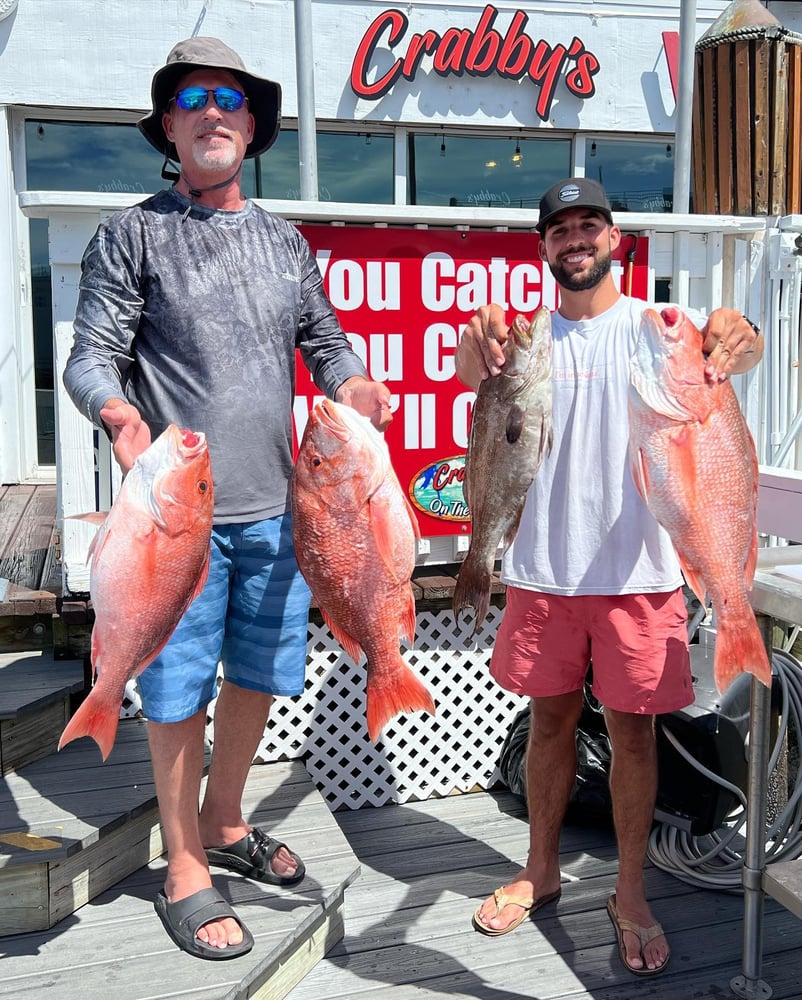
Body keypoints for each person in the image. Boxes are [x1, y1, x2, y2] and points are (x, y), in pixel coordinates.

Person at [63, 37, 391, 961]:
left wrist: (355, 385)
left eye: (232, 100)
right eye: (194, 99)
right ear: (170, 124)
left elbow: (326, 342)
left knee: (256, 678)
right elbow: (91, 354)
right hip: (178, 521)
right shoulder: (133, 232)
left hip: (283, 513)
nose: (214, 111)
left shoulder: (285, 241)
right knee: (174, 691)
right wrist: (119, 413)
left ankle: (226, 818)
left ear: (252, 127)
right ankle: (183, 865)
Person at [455, 177, 763, 976]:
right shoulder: (526, 338)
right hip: (542, 573)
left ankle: (631, 891)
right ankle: (540, 868)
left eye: (590, 223)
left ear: (615, 239)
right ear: (543, 248)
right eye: (560, 228)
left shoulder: (656, 329)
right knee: (549, 723)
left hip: (643, 573)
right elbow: (467, 364)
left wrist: (738, 330)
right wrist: (478, 331)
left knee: (633, 736)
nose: (576, 237)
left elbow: (738, 346)